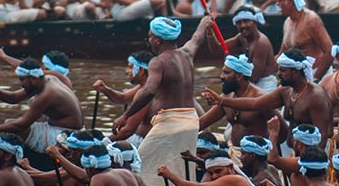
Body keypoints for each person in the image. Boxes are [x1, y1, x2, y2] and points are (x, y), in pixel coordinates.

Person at [112, 15, 215, 186]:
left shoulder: (158, 62)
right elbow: (197, 37)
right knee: (178, 168)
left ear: (158, 40)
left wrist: (125, 116)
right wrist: (205, 21)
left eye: (151, 36)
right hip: (191, 122)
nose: (149, 40)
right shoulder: (187, 53)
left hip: (170, 124)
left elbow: (149, 91)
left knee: (139, 166)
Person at [203, 48, 334, 142]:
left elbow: (321, 136)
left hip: (317, 155)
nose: (278, 74)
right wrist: (221, 101)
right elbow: (254, 103)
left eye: (282, 71)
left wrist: (313, 165)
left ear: (295, 72)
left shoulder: (316, 96)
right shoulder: (285, 91)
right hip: (298, 151)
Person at [0, 56, 83, 152]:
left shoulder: (47, 95)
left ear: (33, 78)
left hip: (65, 135)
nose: (21, 84)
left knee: (13, 129)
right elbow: (14, 98)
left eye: (22, 80)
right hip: (57, 129)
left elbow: (19, 126)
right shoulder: (47, 79)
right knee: (8, 122)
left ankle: (17, 161)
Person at [200, 55, 274, 159]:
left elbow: (281, 129)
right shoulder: (225, 97)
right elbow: (202, 123)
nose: (221, 76)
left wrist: (271, 156)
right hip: (234, 152)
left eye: (226, 73)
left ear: (239, 76)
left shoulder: (260, 98)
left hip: (257, 156)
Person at [92, 50, 154, 144]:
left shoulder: (144, 92)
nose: (126, 71)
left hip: (144, 142)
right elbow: (123, 98)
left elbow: (128, 130)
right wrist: (104, 89)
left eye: (130, 67)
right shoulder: (145, 86)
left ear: (141, 70)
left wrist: (103, 143)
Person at [277, 0, 335, 79]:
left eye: (280, 0)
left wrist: (315, 79)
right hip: (299, 78)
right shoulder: (287, 22)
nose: (277, 4)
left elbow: (329, 51)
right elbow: (283, 52)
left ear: (290, 1)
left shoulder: (311, 20)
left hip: (317, 73)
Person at [158, 149, 252, 185]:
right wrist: (196, 159)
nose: (214, 176)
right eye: (211, 173)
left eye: (218, 171)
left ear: (231, 168)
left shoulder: (235, 180)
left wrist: (170, 175)